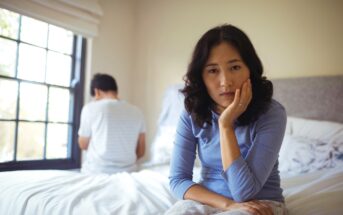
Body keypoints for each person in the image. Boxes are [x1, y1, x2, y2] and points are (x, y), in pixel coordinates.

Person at [167, 24, 287, 215]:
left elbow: (244, 193)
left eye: (235, 67)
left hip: (258, 204)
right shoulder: (191, 113)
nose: (225, 81)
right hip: (210, 200)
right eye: (213, 70)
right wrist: (226, 204)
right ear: (201, 77)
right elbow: (178, 180)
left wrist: (225, 125)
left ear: (250, 70)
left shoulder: (272, 113)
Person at [78, 73, 146, 174]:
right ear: (116, 90)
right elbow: (141, 151)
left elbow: (83, 144)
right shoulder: (137, 111)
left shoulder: (90, 108)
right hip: (128, 173)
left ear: (96, 91)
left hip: (96, 172)